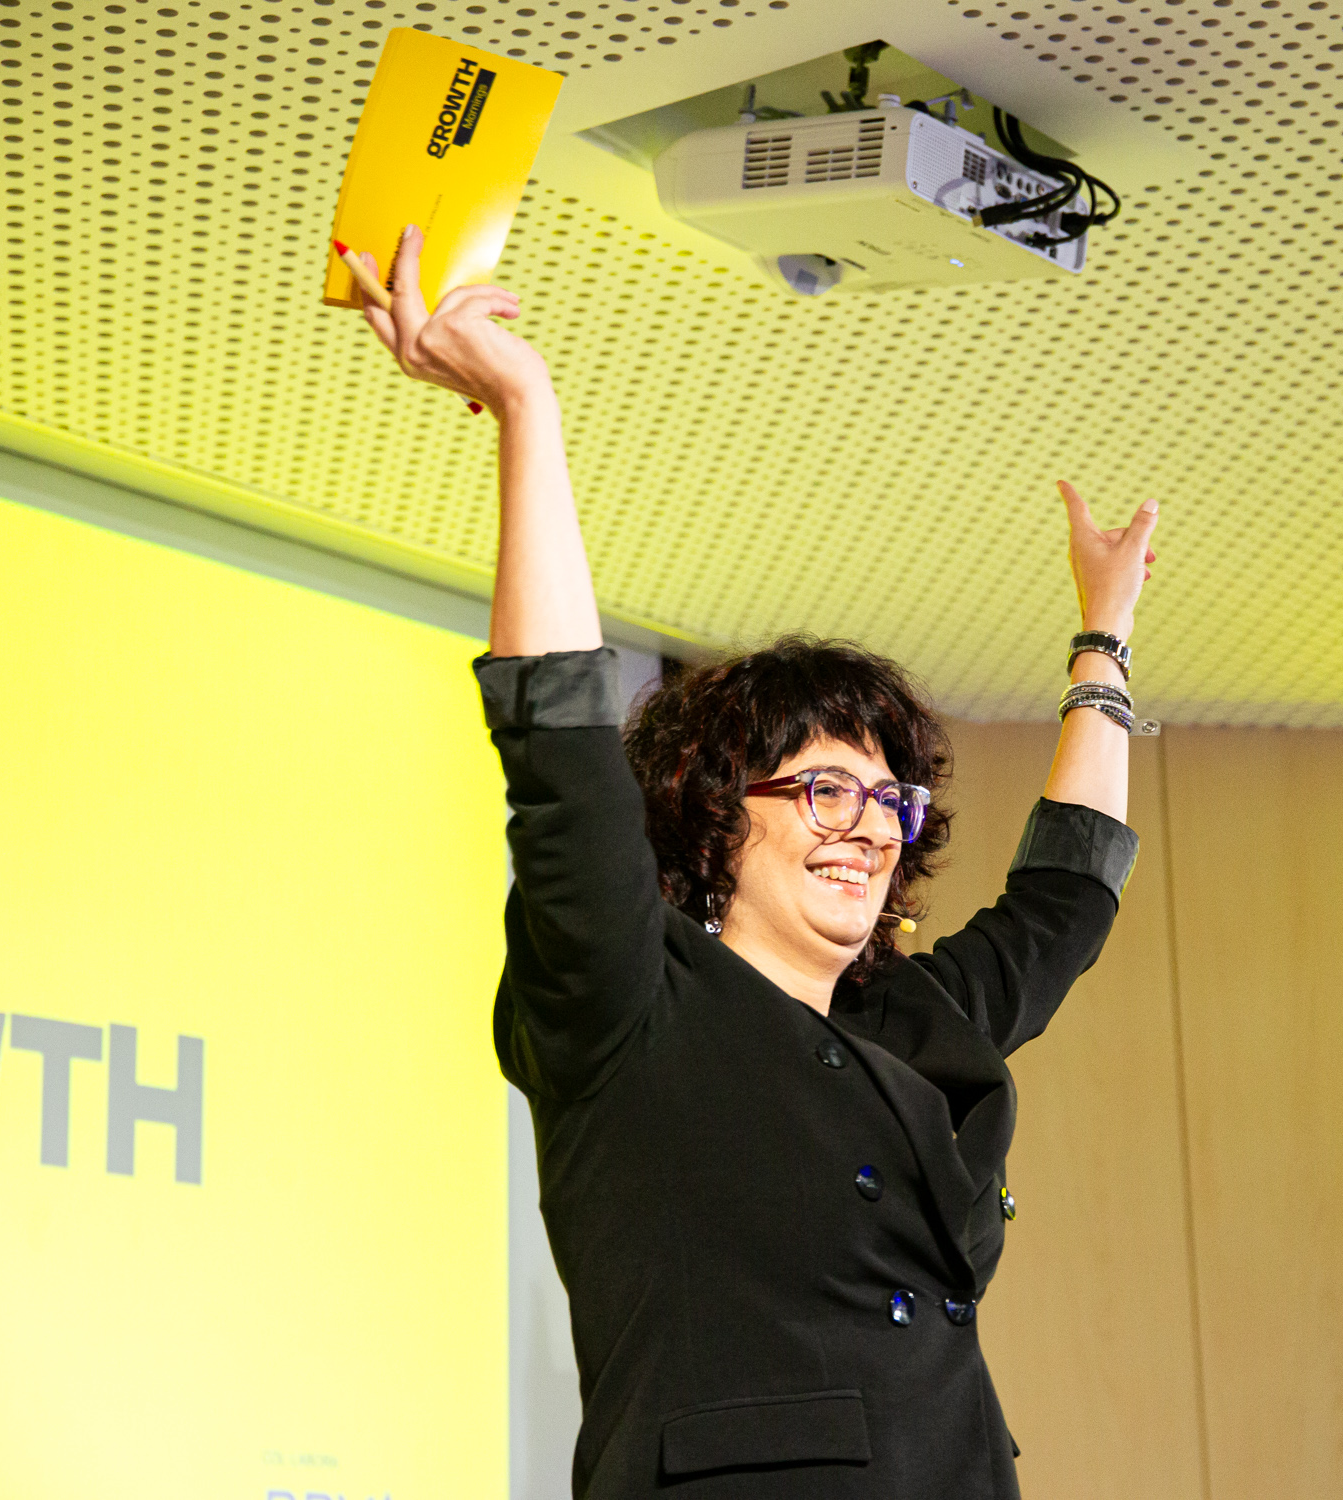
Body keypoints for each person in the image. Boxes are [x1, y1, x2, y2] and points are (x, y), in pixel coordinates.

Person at [359, 225, 1162, 1498]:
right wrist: (525, 411)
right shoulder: (634, 1002)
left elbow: (1065, 901)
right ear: (712, 816)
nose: (867, 826)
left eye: (888, 799)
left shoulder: (912, 1020)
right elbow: (562, 751)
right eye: (823, 789)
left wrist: (1101, 639)